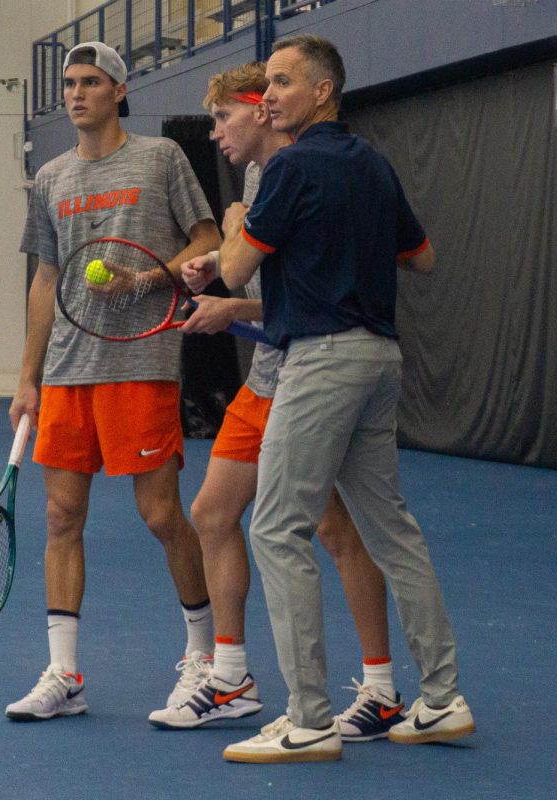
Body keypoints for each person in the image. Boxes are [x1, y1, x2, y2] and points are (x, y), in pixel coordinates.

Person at [192, 35, 476, 763]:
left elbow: (233, 268)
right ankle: (441, 701)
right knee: (391, 531)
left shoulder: (286, 167)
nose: (270, 96)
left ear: (322, 92)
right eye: (268, 87)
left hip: (320, 363)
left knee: (276, 529)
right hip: (381, 359)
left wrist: (231, 224)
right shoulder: (371, 165)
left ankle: (309, 718)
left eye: (283, 83)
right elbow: (426, 258)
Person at [147, 62, 408, 745]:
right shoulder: (260, 181)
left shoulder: (301, 175)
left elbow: (309, 299)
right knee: (211, 511)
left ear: (262, 112)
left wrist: (231, 296)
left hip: (312, 377)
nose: (216, 132)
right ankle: (232, 678)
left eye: (223, 118)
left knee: (336, 532)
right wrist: (228, 268)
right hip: (267, 377)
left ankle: (380, 689)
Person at [5, 41, 222, 722]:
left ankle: (204, 658)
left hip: (140, 363)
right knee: (61, 515)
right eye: (69, 83)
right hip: (69, 372)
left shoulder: (160, 159)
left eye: (91, 82)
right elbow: (46, 279)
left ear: (119, 92)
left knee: (161, 516)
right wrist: (27, 378)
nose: (76, 94)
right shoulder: (51, 177)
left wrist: (147, 280)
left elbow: (207, 239)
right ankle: (64, 674)